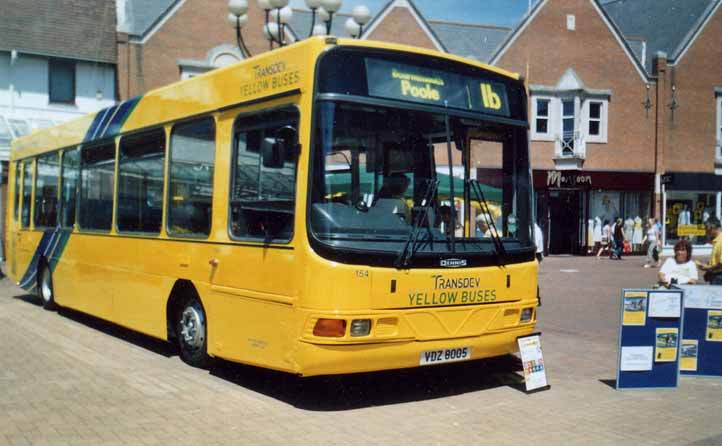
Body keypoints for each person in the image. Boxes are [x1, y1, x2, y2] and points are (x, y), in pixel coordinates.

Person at [696, 217, 722, 285]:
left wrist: (709, 267)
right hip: (716, 277)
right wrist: (708, 265)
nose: (705, 231)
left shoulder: (721, 241)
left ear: (712, 227)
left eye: (706, 228)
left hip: (719, 277)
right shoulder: (717, 241)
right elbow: (717, 261)